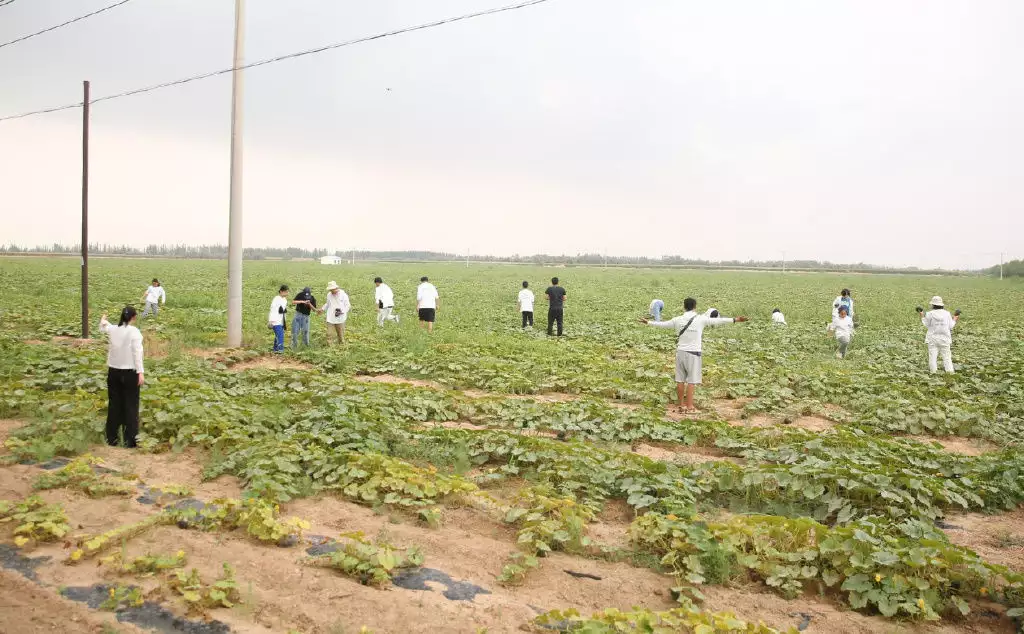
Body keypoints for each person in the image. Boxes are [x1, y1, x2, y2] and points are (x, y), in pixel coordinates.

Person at [642, 297, 748, 413]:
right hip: (694, 353)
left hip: (680, 353)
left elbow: (663, 324)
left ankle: (681, 405)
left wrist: (648, 322)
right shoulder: (701, 319)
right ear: (695, 306)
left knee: (680, 380)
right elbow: (718, 320)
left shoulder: (677, 319)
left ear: (684, 306)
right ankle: (690, 406)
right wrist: (736, 319)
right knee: (692, 381)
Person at [98, 307, 144, 448]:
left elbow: (103, 327)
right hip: (129, 373)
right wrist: (140, 372)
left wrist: (103, 319)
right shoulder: (134, 332)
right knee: (130, 405)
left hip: (113, 372)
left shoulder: (113, 329)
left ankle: (111, 439)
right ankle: (130, 441)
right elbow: (137, 352)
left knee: (114, 405)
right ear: (133, 317)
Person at [919, 296, 958, 374]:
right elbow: (950, 326)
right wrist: (954, 319)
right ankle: (950, 373)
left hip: (933, 338)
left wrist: (922, 316)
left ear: (933, 305)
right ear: (941, 305)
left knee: (932, 357)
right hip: (945, 338)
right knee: (947, 357)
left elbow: (927, 325)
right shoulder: (947, 314)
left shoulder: (930, 314)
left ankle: (933, 372)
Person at [268, 285, 289, 352]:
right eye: (285, 291)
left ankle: (275, 349)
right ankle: (280, 350)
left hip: (281, 321)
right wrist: (271, 321)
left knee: (278, 335)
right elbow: (272, 309)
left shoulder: (285, 300)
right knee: (280, 335)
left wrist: (284, 321)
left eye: (287, 292)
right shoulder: (276, 299)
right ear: (281, 291)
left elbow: (283, 311)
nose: (287, 293)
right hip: (275, 321)